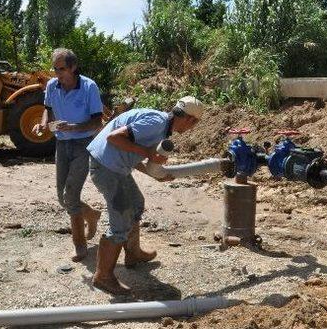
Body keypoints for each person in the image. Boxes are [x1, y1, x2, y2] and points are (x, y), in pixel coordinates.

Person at [86, 96, 204, 295]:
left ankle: (133, 253)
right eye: (194, 124)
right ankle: (103, 276)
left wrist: (152, 172)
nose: (191, 129)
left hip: (113, 165)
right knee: (120, 223)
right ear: (191, 120)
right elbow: (114, 138)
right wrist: (149, 154)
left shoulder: (161, 125)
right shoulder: (155, 124)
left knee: (136, 202)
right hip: (107, 168)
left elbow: (130, 152)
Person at [33, 48, 104, 262]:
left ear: (73, 67)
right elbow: (48, 109)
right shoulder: (52, 86)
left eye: (61, 69)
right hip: (61, 144)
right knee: (62, 198)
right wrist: (44, 124)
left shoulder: (89, 87)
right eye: (55, 69)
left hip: (84, 144)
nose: (57, 74)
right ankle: (91, 215)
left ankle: (79, 244)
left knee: (70, 196)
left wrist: (73, 127)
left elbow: (97, 121)